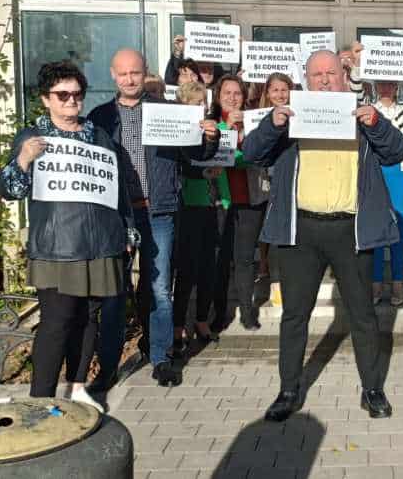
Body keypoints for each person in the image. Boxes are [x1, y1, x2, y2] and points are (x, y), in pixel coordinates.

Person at [242, 50, 403, 422]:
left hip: (350, 230)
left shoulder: (361, 115)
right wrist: (274, 122)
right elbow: (252, 153)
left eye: (330, 73)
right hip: (302, 230)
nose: (324, 80)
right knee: (295, 315)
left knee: (363, 315)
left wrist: (376, 123)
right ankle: (288, 390)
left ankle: (372, 389)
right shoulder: (291, 116)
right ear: (306, 78)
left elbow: (397, 151)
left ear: (342, 74)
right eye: (316, 74)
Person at [0, 61, 133, 412]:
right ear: (46, 99)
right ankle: (40, 400)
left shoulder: (99, 136)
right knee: (57, 322)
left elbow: (116, 190)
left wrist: (127, 229)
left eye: (77, 94)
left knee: (88, 319)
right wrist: (24, 160)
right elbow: (9, 190)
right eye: (63, 95)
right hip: (57, 246)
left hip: (100, 243)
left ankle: (76, 389)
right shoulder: (33, 138)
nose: (72, 101)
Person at [90, 48, 220, 389]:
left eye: (135, 72)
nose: (130, 79)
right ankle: (108, 368)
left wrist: (208, 138)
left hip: (158, 210)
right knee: (114, 292)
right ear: (113, 75)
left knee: (160, 288)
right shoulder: (100, 117)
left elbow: (195, 155)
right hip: (117, 216)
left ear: (144, 72)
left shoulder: (168, 111)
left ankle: (162, 358)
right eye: (123, 73)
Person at [349, 41, 403, 306]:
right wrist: (358, 65)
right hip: (374, 173)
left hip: (401, 175)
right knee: (375, 230)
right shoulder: (367, 108)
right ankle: (375, 286)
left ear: (397, 87)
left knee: (398, 230)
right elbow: (355, 91)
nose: (386, 87)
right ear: (375, 86)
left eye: (390, 83)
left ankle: (397, 284)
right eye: (381, 83)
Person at [172, 81, 230, 355]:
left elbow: (226, 155)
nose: (199, 109)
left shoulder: (212, 129)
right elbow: (182, 166)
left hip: (213, 204)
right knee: (187, 269)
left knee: (210, 265)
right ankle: (177, 325)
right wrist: (204, 172)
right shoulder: (178, 131)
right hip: (189, 205)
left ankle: (202, 320)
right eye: (193, 104)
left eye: (202, 104)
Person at [211, 74, 270, 331]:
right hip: (220, 201)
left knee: (245, 259)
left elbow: (259, 157)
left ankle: (247, 312)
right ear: (218, 96)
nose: (232, 98)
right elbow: (222, 157)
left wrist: (243, 148)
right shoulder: (213, 126)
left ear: (244, 98)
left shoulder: (254, 124)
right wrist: (228, 130)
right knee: (222, 260)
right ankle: (221, 312)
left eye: (237, 94)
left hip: (250, 199)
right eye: (227, 93)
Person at [255, 73, 294, 306]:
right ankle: (268, 275)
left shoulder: (297, 117)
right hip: (260, 185)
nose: (279, 95)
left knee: (283, 240)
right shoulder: (259, 117)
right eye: (275, 90)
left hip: (284, 186)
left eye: (284, 90)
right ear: (267, 93)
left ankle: (282, 289)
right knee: (266, 235)